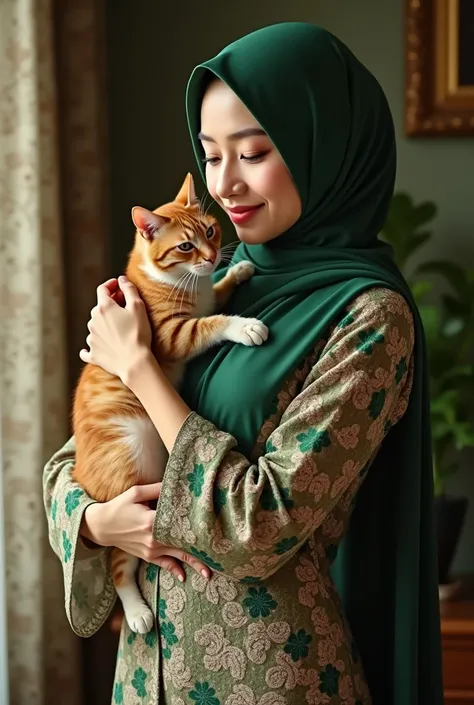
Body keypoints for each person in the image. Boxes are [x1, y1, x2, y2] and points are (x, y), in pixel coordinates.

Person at [43, 22, 443, 705]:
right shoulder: (213, 281)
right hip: (148, 676)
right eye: (210, 155)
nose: (224, 183)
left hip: (271, 677)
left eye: (254, 152)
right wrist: (94, 521)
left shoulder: (370, 317)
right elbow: (67, 463)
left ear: (327, 147)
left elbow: (260, 526)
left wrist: (139, 367)